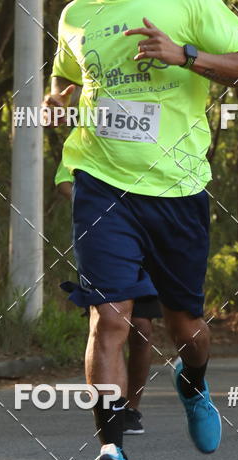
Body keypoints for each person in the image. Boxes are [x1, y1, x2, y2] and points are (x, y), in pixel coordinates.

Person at [43, 0, 238, 460]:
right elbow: (67, 75)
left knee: (184, 326)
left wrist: (183, 55)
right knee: (110, 319)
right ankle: (112, 452)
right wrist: (57, 98)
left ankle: (193, 383)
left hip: (177, 188)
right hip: (101, 182)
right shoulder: (76, 14)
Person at [55, 160, 160, 434]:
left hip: (149, 240)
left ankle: (131, 409)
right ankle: (112, 412)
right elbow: (64, 182)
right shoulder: (89, 140)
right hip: (108, 237)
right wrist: (101, 205)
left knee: (142, 329)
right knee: (110, 322)